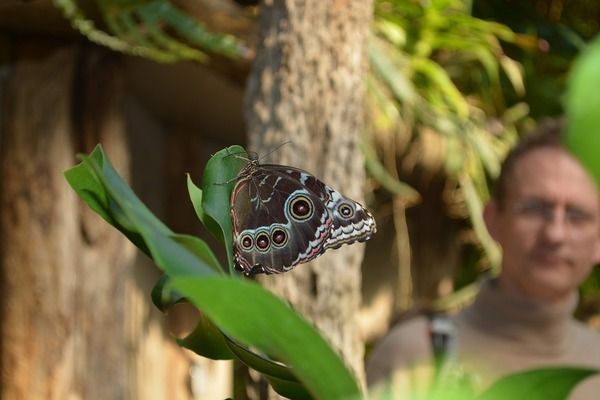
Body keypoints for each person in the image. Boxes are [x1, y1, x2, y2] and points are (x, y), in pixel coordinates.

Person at [366, 119, 600, 399]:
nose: (554, 233)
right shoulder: (415, 358)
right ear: (492, 220)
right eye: (534, 209)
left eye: (577, 215)